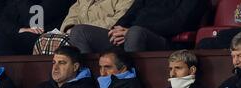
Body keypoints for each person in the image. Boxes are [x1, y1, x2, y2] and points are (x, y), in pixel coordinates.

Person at [69, 0, 206, 53]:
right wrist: (118, 28)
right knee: (79, 31)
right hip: (127, 35)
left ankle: (129, 82)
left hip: (162, 39)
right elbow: (131, 12)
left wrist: (129, 31)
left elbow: (178, 23)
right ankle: (86, 82)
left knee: (135, 33)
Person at [0, 0, 73, 55]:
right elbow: (2, 22)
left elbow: (38, 17)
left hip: (46, 36)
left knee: (0, 40)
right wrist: (20, 30)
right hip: (23, 34)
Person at [62, 0, 133, 53]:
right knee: (54, 37)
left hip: (112, 36)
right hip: (77, 32)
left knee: (79, 32)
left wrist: (81, 27)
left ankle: (84, 70)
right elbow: (71, 17)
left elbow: (119, 19)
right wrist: (69, 27)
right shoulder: (81, 1)